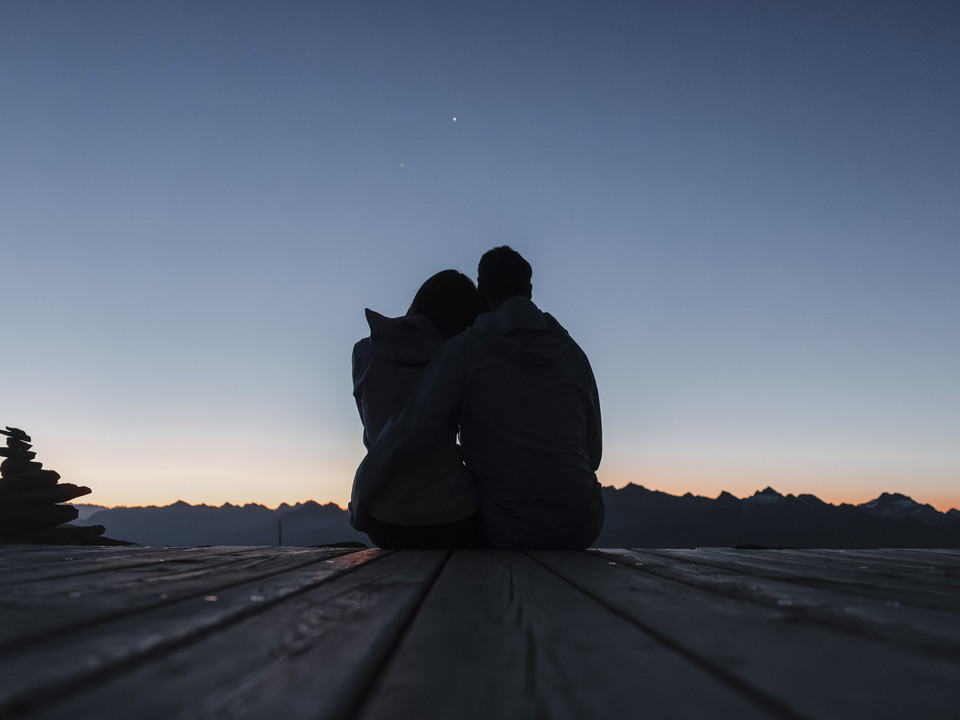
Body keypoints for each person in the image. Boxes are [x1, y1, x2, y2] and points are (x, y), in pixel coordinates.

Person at [351, 247, 603, 549]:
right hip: (585, 525)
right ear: (530, 290)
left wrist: (361, 496)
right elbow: (593, 454)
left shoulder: (465, 350)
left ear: (482, 289)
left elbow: (411, 429)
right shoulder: (574, 354)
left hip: (508, 528)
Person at [350, 269, 486, 548]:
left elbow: (372, 432)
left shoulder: (363, 351)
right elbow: (474, 441)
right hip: (454, 518)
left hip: (384, 520)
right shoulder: (459, 357)